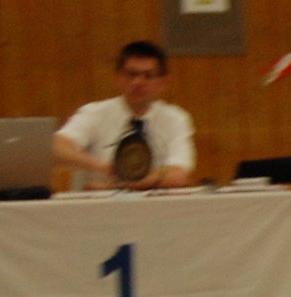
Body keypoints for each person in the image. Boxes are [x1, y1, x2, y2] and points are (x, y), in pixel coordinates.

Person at [53, 40, 195, 191]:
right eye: (131, 74)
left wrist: (121, 185)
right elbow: (55, 149)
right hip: (103, 203)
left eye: (148, 76)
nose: (138, 82)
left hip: (151, 202)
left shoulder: (175, 118)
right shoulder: (94, 113)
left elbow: (178, 173)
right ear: (118, 77)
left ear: (162, 82)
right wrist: (104, 167)